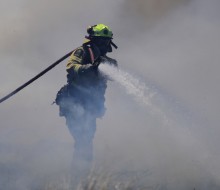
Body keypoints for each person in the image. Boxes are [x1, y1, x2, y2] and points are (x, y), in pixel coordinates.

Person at [55, 24, 117, 166]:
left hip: (90, 106)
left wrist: (106, 65)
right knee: (83, 139)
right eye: (101, 41)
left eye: (106, 41)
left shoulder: (105, 59)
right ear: (94, 40)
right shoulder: (81, 52)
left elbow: (114, 74)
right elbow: (71, 67)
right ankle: (78, 176)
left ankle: (82, 175)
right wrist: (89, 68)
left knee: (86, 139)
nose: (104, 44)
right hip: (74, 102)